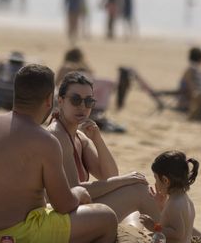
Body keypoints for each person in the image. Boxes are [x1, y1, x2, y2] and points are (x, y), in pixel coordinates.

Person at [0, 63, 119, 243]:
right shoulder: (45, 140)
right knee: (107, 217)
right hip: (18, 235)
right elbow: (63, 204)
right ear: (49, 100)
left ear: (16, 94)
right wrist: (78, 192)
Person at [43, 72, 161, 224]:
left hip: (74, 210)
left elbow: (109, 175)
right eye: (75, 100)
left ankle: (185, 239)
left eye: (88, 101)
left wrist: (97, 139)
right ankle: (181, 240)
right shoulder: (57, 134)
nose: (82, 107)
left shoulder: (80, 137)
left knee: (136, 210)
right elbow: (73, 189)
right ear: (60, 101)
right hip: (58, 218)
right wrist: (124, 180)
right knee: (138, 192)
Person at [147, 151, 199, 243]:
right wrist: (161, 206)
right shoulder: (184, 199)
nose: (155, 182)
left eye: (156, 178)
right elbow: (171, 221)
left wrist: (153, 227)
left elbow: (178, 234)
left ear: (165, 180)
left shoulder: (174, 203)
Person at [177, 47, 201, 119]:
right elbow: (190, 83)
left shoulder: (191, 68)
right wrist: (195, 92)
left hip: (185, 95)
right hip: (186, 97)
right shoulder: (192, 69)